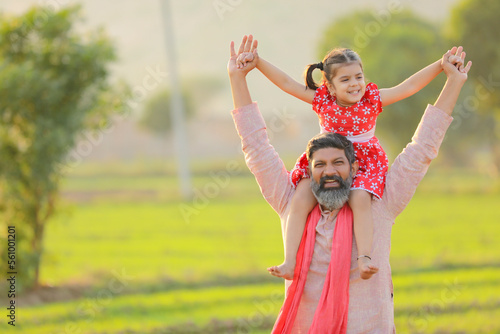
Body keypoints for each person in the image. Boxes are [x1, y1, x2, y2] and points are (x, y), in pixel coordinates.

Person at [228, 35, 471, 332]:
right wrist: (238, 78)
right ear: (307, 168)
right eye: (320, 164)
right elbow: (256, 148)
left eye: (338, 163)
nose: (329, 172)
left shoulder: (379, 203)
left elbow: (422, 148)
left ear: (355, 166)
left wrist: (453, 81)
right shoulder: (292, 203)